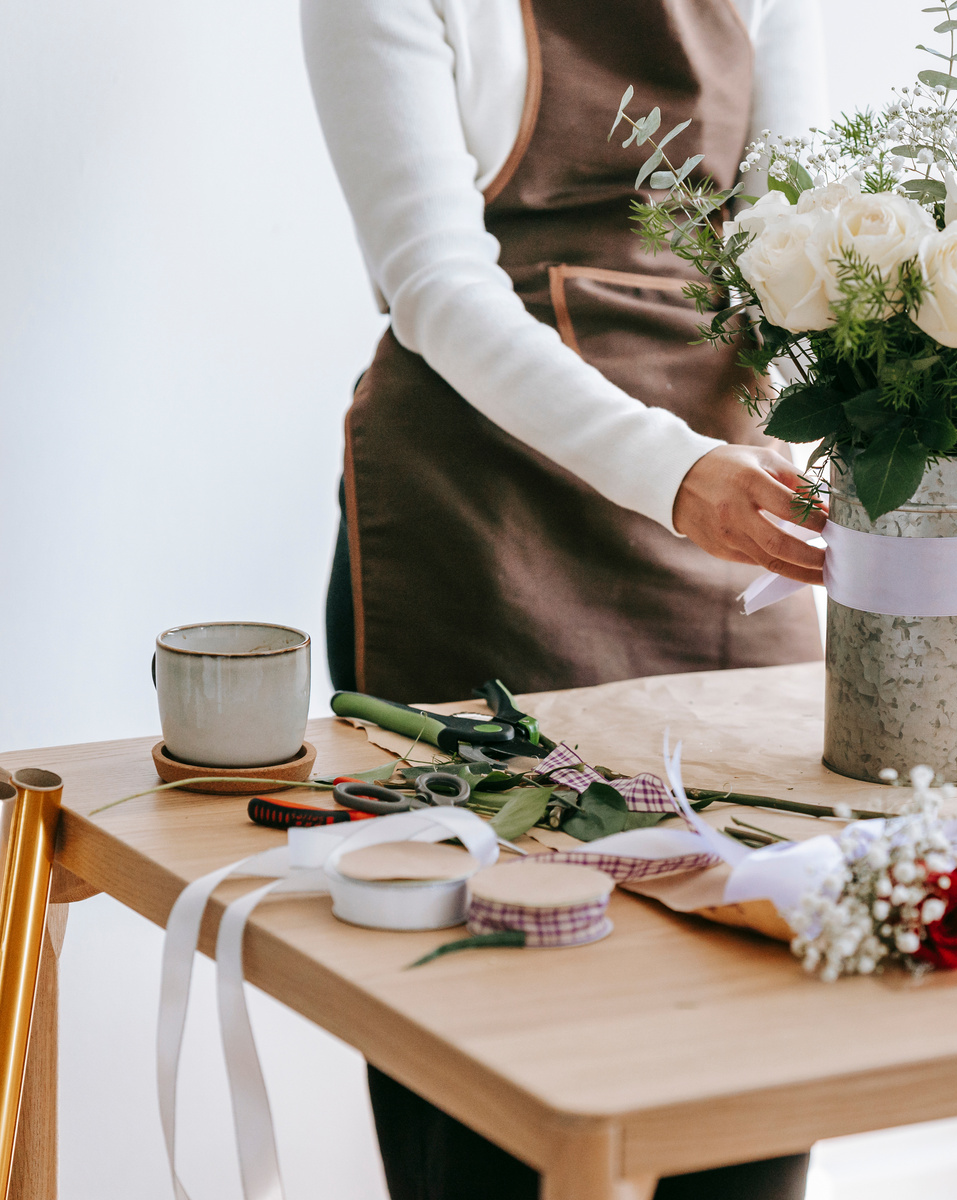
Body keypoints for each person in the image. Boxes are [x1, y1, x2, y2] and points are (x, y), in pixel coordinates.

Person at [301, 0, 828, 1194]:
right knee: (488, 1065)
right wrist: (673, 472)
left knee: (753, 1037)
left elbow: (806, 241)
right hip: (477, 524)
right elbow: (434, 282)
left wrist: (846, 433)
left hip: (729, 508)